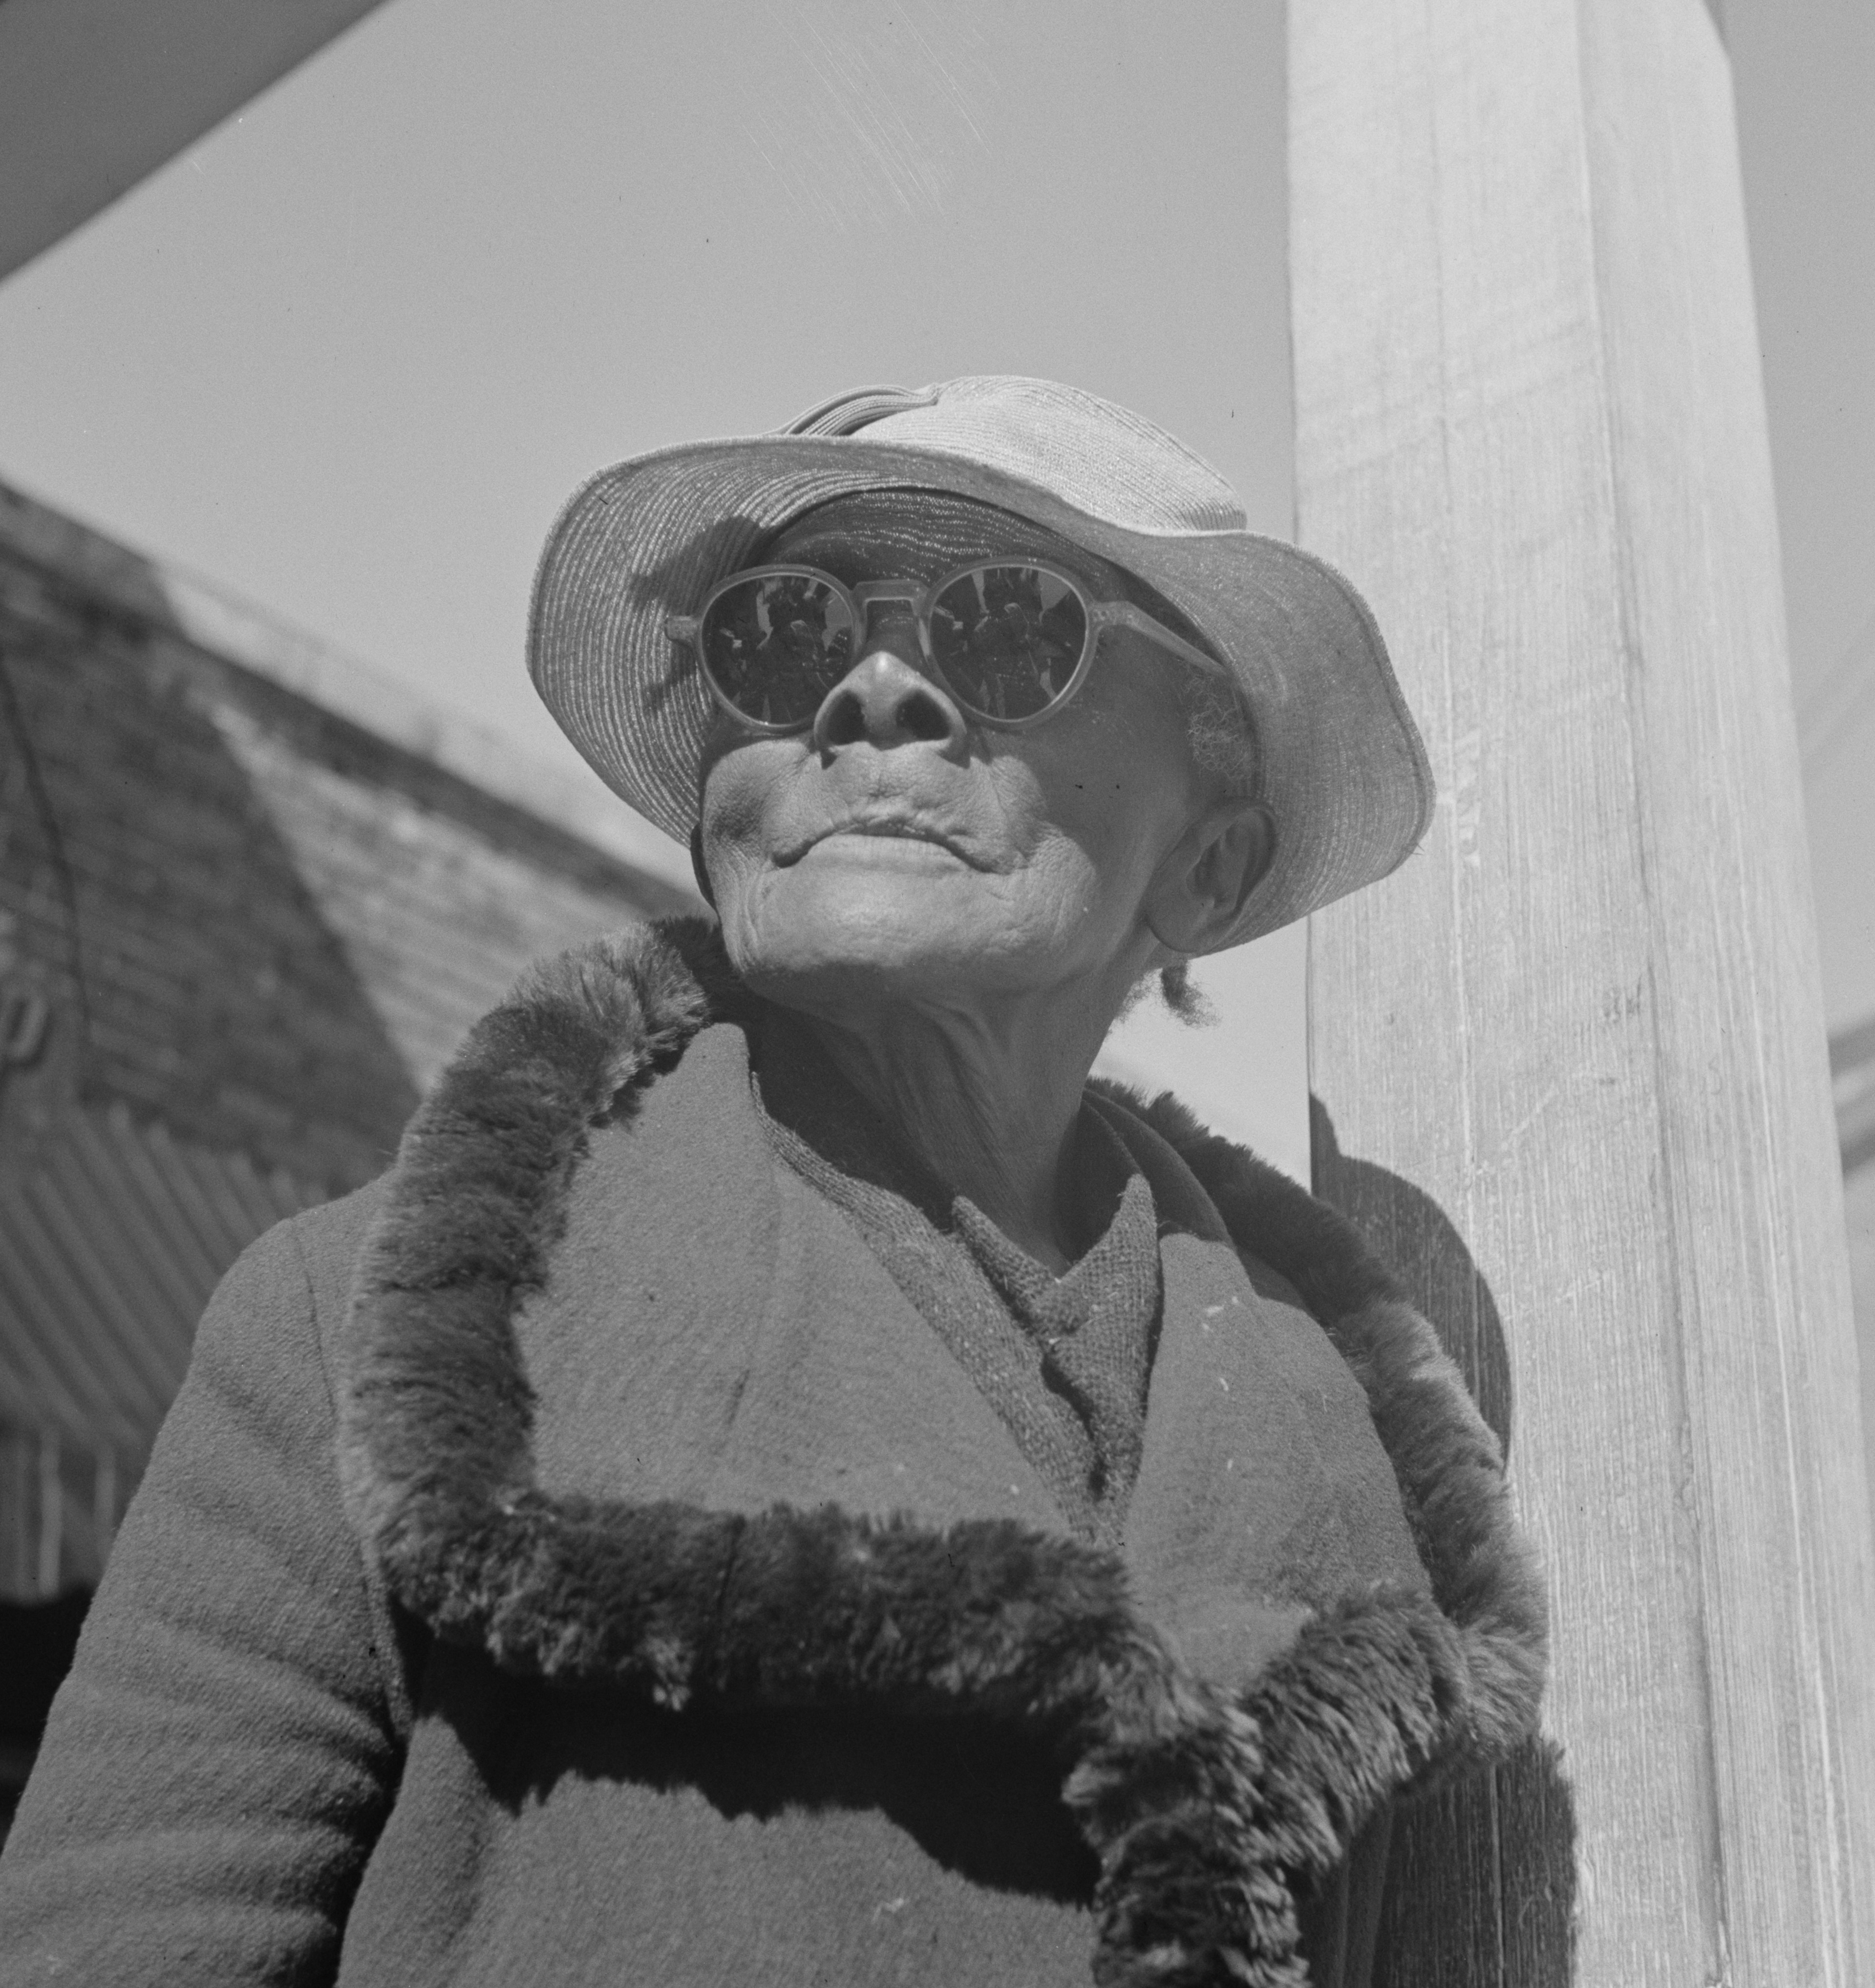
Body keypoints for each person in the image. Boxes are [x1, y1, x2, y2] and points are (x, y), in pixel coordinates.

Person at [0, 376, 1545, 1987]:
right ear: (715, 813)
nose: (871, 692)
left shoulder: (1358, 1440)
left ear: (1206, 864)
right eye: (783, 635)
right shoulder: (366, 1333)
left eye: (1006, 626)